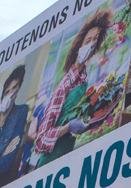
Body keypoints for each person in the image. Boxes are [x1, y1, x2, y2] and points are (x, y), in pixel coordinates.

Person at [28, 10, 111, 167]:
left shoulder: (84, 81)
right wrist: (67, 128)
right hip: (49, 163)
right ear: (79, 45)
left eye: (94, 41)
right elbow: (40, 142)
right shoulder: (64, 85)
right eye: (88, 41)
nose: (91, 45)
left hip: (66, 161)